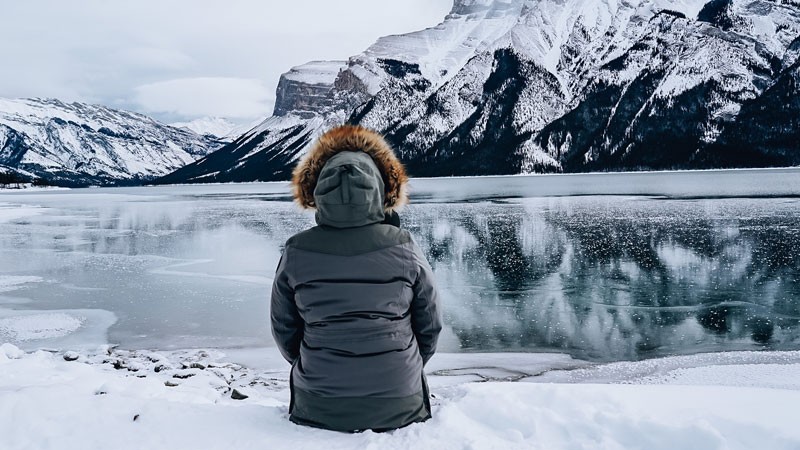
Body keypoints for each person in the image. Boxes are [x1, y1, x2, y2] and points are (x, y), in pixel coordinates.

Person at [270, 125, 442, 432]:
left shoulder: (296, 251)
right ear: (383, 188)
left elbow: (285, 330)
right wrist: (403, 365)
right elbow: (429, 324)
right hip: (400, 399)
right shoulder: (404, 245)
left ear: (317, 191)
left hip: (318, 402)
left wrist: (314, 360)